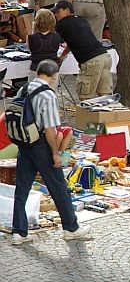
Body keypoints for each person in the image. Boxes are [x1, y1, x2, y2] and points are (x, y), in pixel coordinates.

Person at [11, 60, 92, 245]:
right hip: (40, 145)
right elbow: (50, 129)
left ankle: (19, 232)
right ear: (54, 75)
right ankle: (71, 228)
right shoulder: (47, 95)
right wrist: (55, 152)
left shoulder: (23, 89)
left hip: (24, 143)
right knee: (58, 187)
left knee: (22, 188)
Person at [53, 0, 112, 102]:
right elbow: (71, 42)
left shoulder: (62, 24)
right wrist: (62, 56)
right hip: (104, 56)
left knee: (85, 97)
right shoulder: (81, 20)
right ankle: (107, 117)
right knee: (105, 95)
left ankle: (86, 117)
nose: (56, 14)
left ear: (67, 11)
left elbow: (54, 42)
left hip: (91, 60)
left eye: (58, 12)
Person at [26, 9, 61, 81]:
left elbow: (30, 50)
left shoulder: (31, 37)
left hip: (36, 69)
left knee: (33, 91)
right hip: (52, 70)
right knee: (51, 91)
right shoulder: (57, 36)